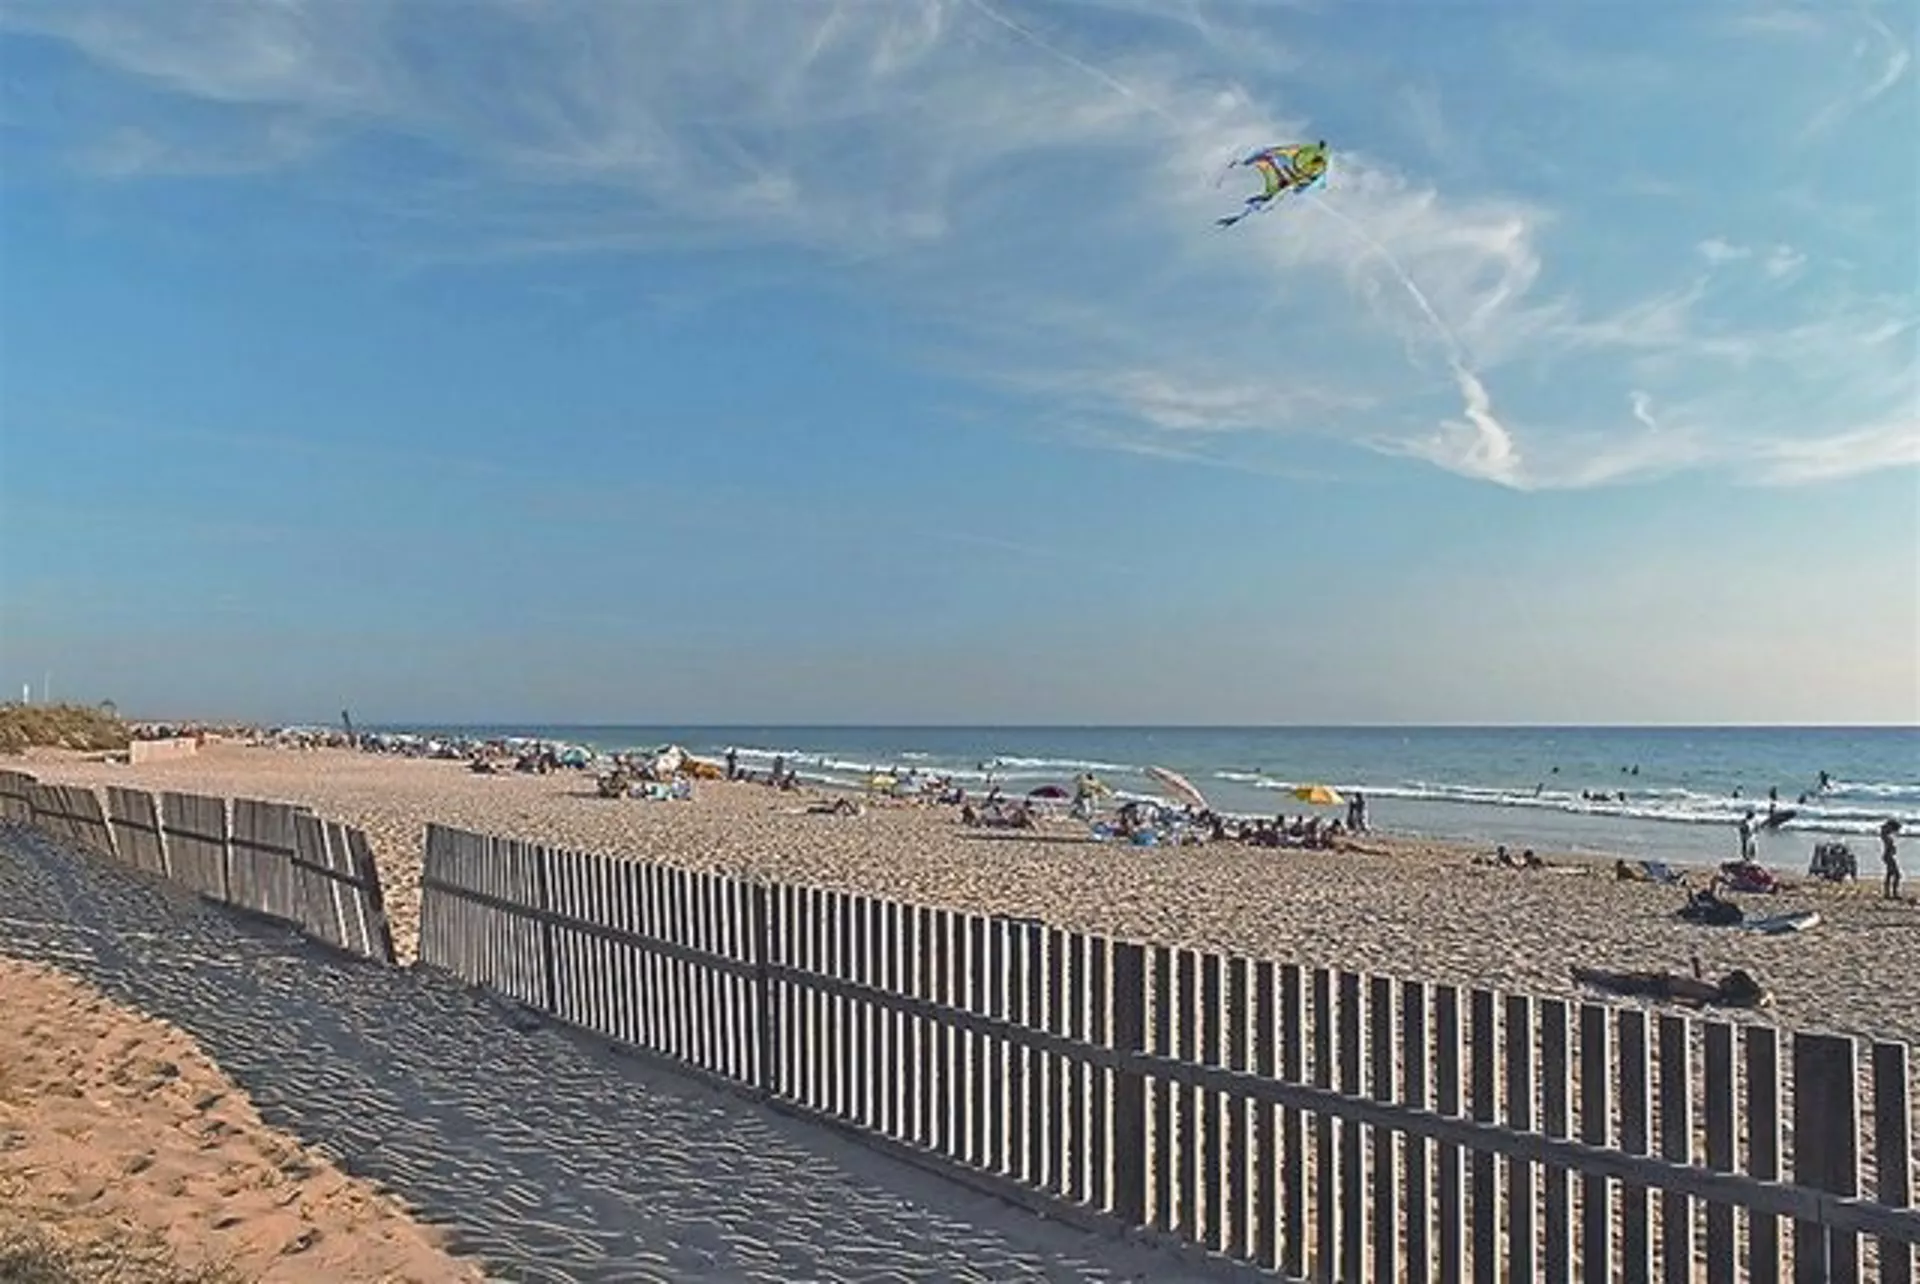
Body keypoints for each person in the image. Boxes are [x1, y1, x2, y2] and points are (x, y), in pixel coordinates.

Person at [1884, 819, 1904, 900]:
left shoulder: (1886, 836)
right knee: (1897, 875)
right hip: (1888, 857)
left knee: (1889, 875)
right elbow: (1889, 847)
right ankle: (1894, 893)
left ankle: (1888, 893)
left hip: (1888, 856)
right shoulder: (1886, 836)